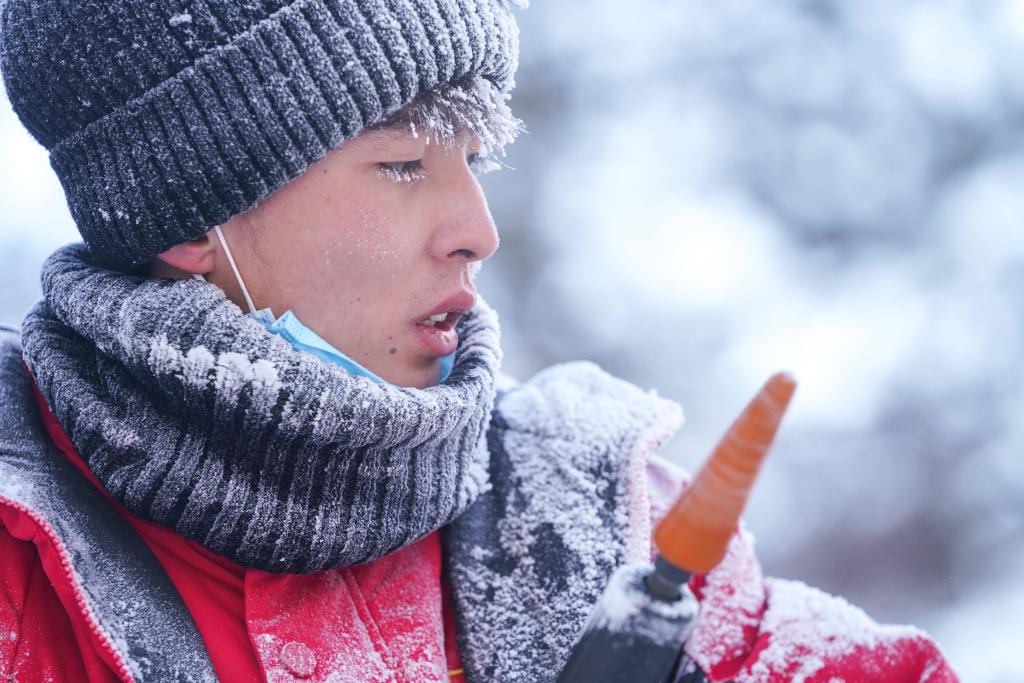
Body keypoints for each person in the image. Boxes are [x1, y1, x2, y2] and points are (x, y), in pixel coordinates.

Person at [0, 1, 959, 681]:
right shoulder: (22, 560)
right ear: (192, 213)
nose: (478, 228)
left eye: (476, 158)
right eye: (404, 164)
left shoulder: (591, 523)